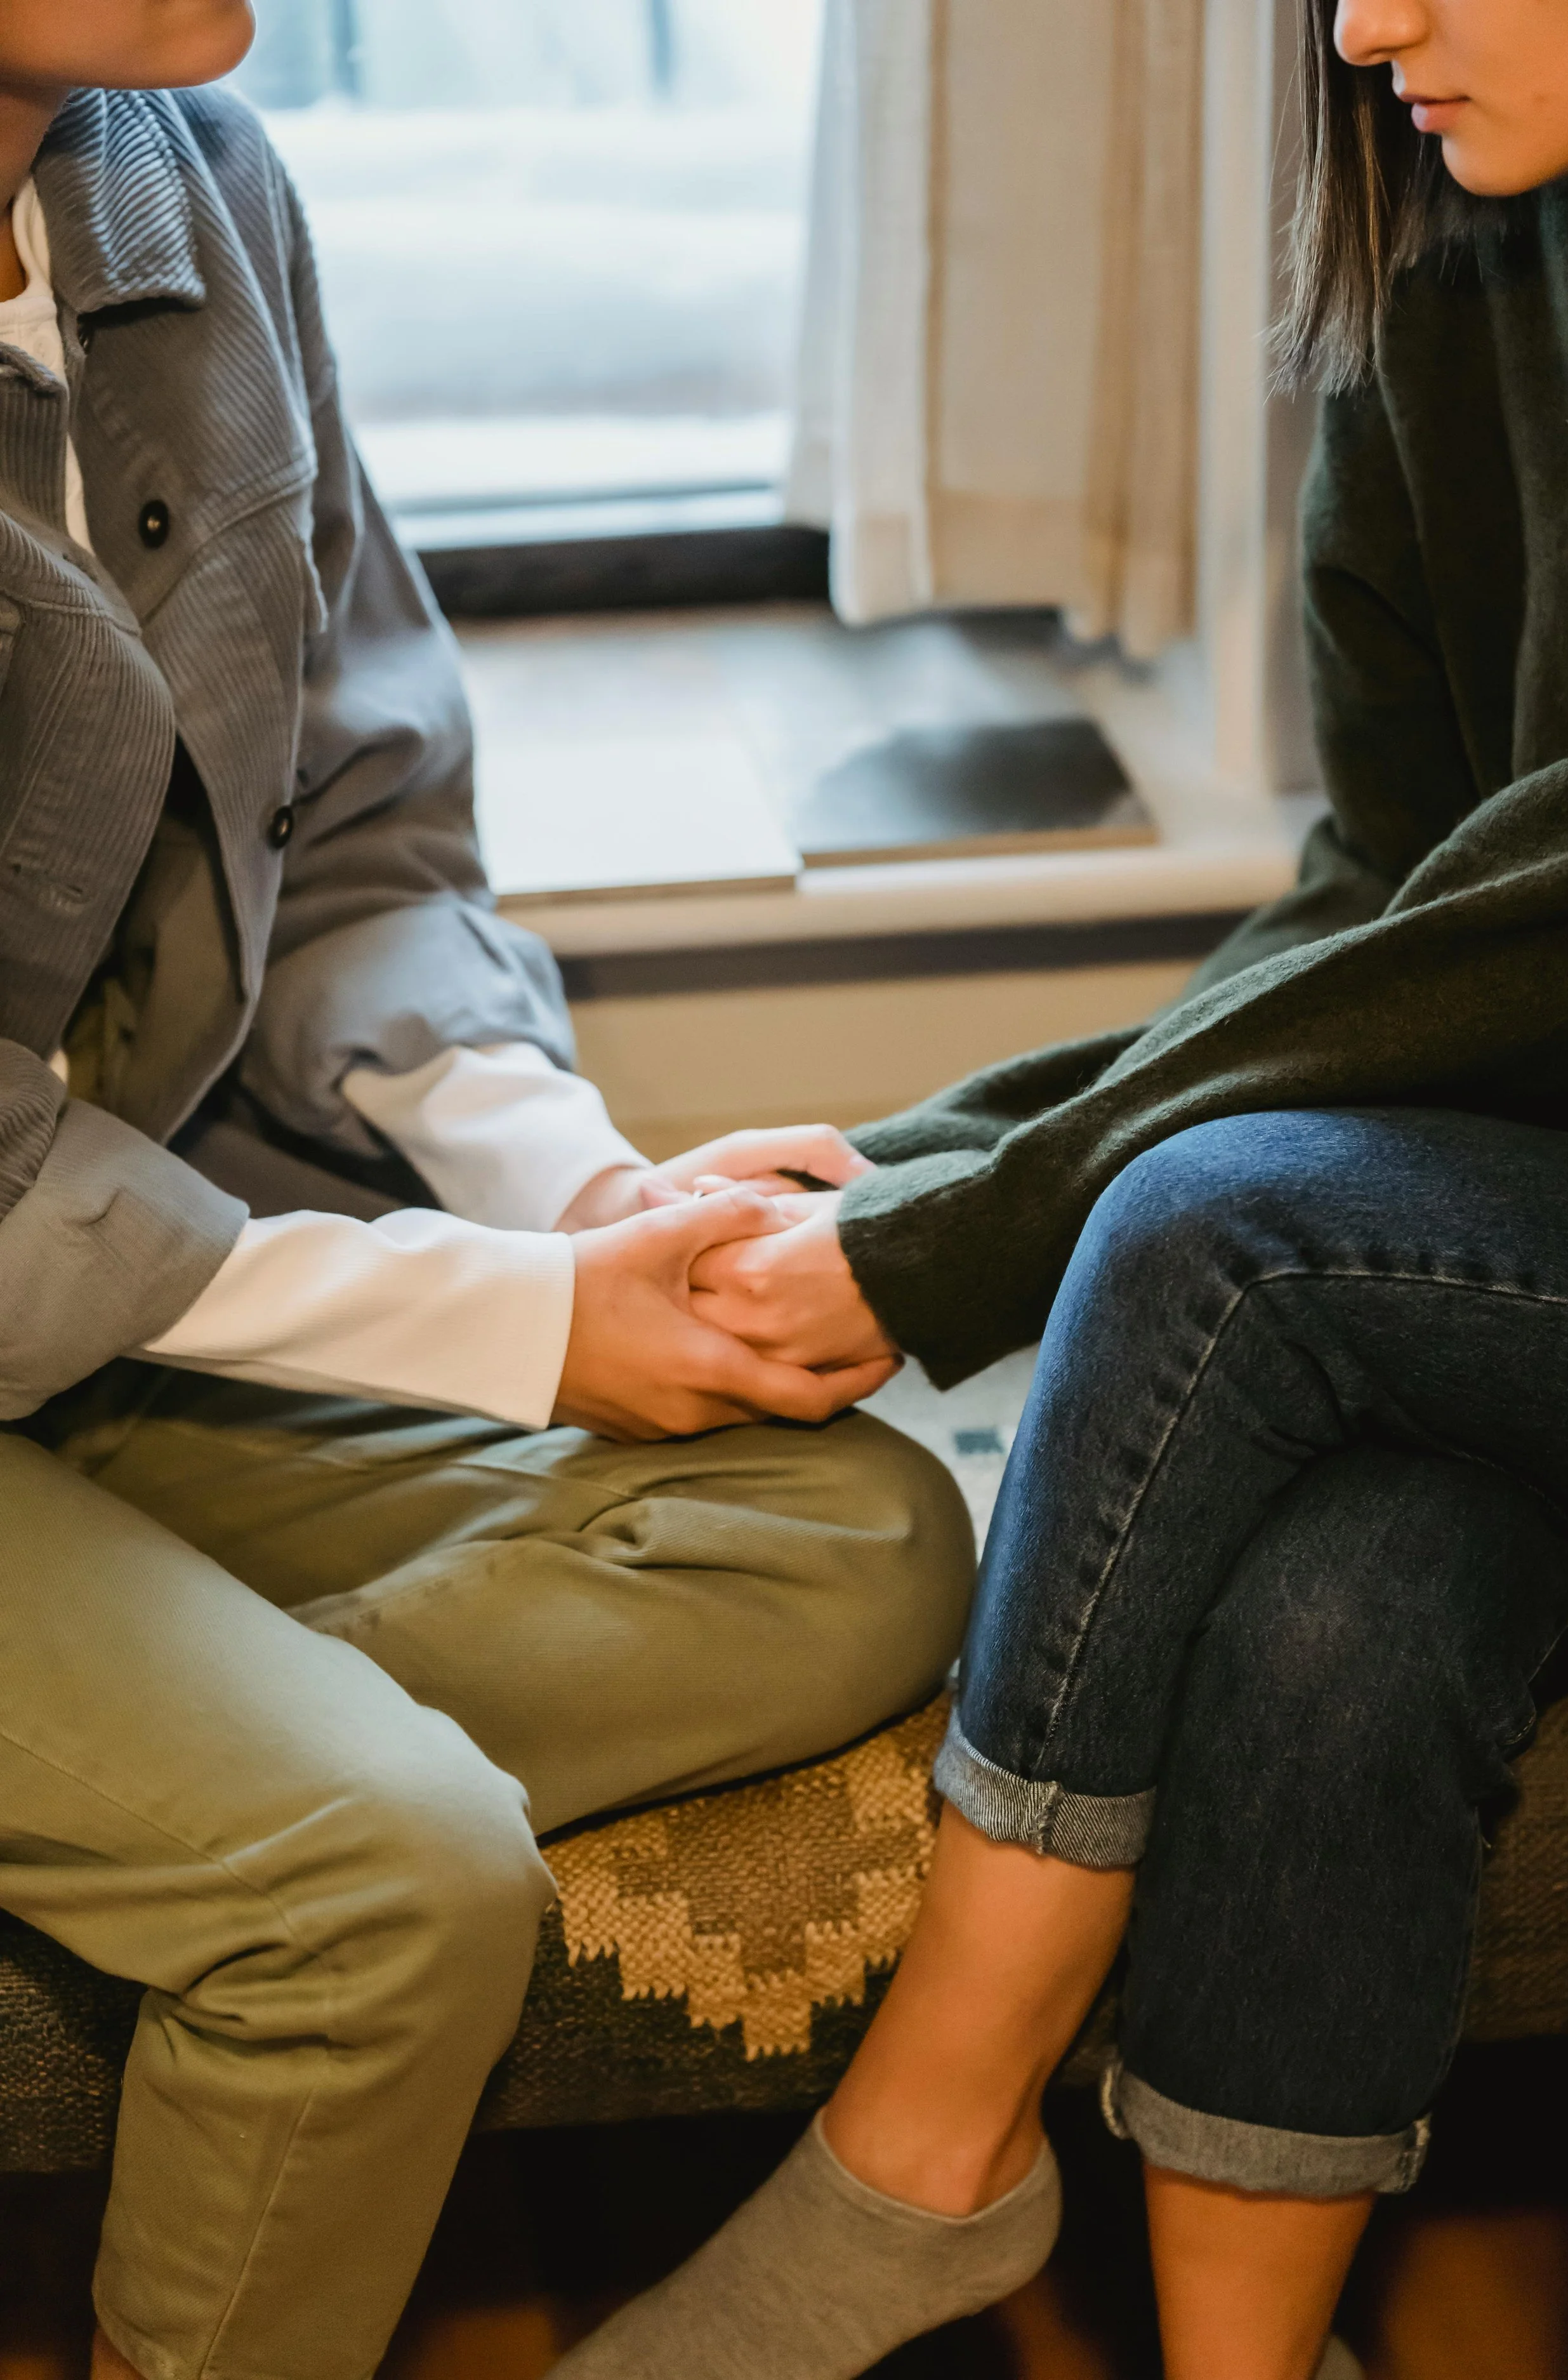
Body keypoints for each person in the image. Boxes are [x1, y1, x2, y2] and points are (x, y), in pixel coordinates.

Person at [550, 1, 1568, 2376]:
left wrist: (954, 1242)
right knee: (1334, 1630)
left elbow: (1546, 912)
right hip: (1518, 1237)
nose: (1363, 25)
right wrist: (929, 1153)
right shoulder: (1454, 247)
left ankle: (919, 2148)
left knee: (1214, 1225)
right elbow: (1387, 905)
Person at [0, 13, 977, 2380]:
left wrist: (578, 1187)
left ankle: (198, 1770)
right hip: (96, 1276)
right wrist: (509, 1329)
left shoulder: (191, 184)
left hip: (139, 1306)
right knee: (392, 1878)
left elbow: (355, 822)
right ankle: (280, 1823)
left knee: (861, 1533)